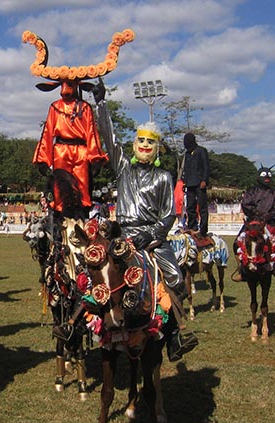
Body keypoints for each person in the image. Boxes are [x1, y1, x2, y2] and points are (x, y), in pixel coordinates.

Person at [80, 80, 198, 361]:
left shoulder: (164, 177)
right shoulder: (122, 167)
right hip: (121, 235)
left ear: (158, 149)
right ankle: (78, 327)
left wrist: (152, 235)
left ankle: (174, 335)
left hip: (152, 238)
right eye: (141, 141)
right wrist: (101, 104)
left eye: (150, 142)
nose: (145, 145)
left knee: (175, 277)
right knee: (92, 270)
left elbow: (169, 213)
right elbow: (109, 138)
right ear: (134, 145)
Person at [32, 79, 108, 222]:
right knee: (60, 185)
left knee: (82, 185)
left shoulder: (85, 107)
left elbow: (91, 132)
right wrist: (42, 159)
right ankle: (60, 219)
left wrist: (95, 158)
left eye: (69, 85)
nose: (64, 90)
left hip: (81, 151)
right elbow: (47, 132)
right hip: (61, 150)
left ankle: (82, 215)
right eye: (62, 86)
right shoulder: (55, 107)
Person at [231, 165, 275, 283]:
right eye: (264, 176)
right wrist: (257, 213)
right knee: (236, 243)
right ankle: (241, 270)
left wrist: (268, 216)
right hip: (253, 221)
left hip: (271, 223)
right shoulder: (250, 192)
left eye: (269, 175)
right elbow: (246, 205)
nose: (267, 178)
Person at [181, 132, 210, 237]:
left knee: (202, 207)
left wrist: (204, 180)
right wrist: (184, 181)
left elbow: (206, 167)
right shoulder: (187, 154)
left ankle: (203, 229)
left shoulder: (201, 151)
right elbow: (186, 169)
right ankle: (192, 226)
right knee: (190, 207)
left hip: (199, 183)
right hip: (190, 183)